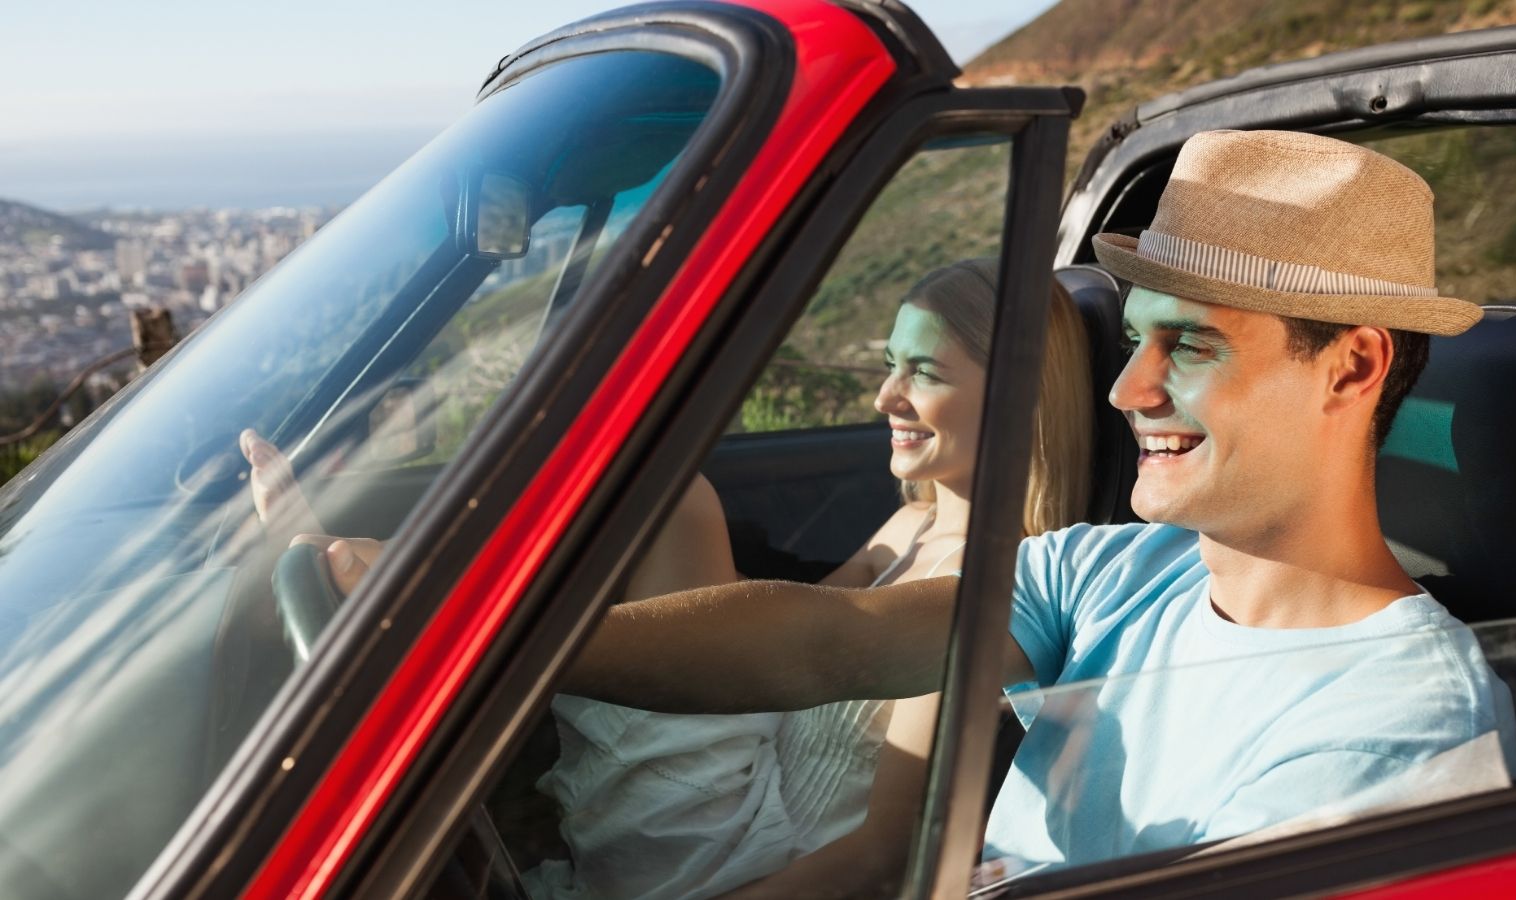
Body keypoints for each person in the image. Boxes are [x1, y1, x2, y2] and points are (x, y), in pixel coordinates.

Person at [557, 130, 1516, 872]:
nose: (1126, 391)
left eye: (1187, 345)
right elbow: (829, 639)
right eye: (1134, 341)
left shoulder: (1401, 733)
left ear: (1352, 366)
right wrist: (495, 649)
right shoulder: (1111, 570)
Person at [239, 259, 1098, 894]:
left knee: (676, 497)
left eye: (924, 373)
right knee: (660, 495)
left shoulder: (993, 587)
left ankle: (408, 601)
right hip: (738, 774)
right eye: (889, 361)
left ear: (1018, 399)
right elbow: (773, 629)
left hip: (745, 848)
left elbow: (883, 855)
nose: (884, 396)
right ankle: (403, 596)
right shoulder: (912, 522)